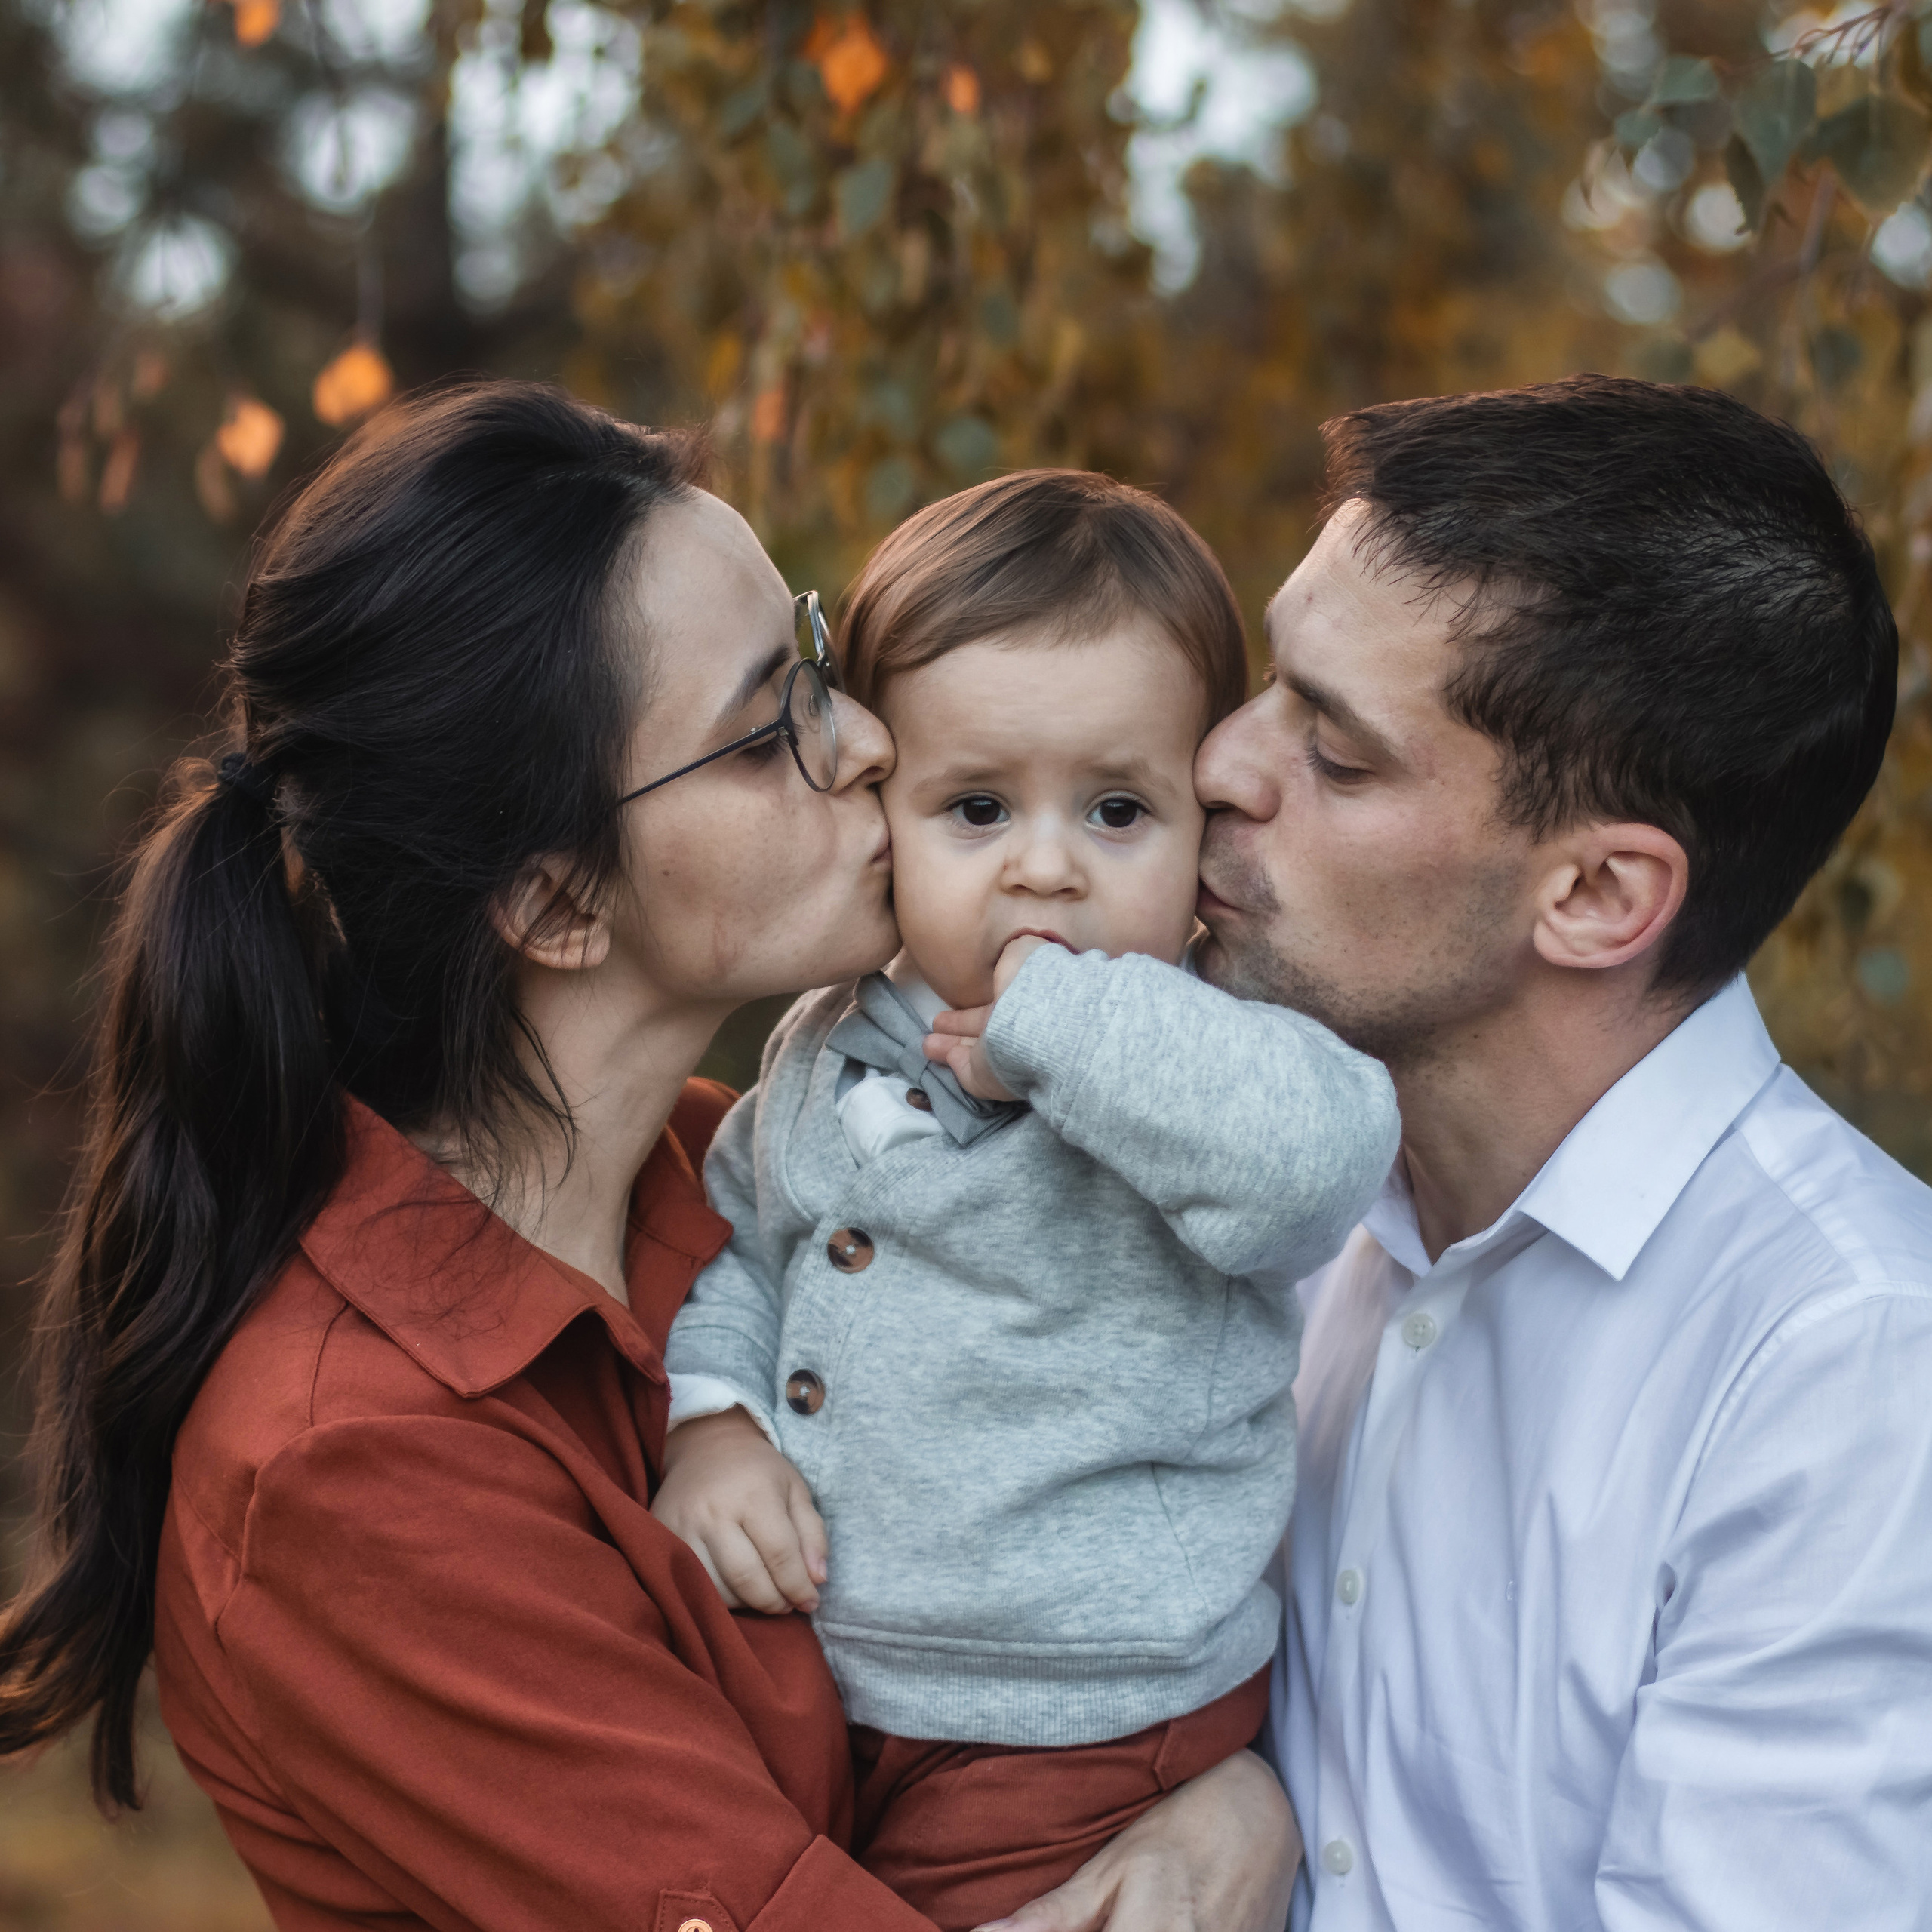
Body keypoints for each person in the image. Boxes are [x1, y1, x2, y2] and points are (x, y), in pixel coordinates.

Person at [0, 383, 1297, 1932]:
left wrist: (1216, 1779)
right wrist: (1227, 1825)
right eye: (766, 731)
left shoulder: (736, 1162)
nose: (867, 738)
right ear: (557, 902)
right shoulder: (349, 1467)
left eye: (814, 657)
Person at [1184, 374, 1932, 1930]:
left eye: (1335, 753)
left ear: (1596, 897)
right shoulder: (1268, 1204)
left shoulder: (1851, 1371)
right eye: (1269, 681)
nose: (1221, 765)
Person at [651, 471, 1399, 1930]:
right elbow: (744, 1247)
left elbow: (1314, 1166)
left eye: (1118, 810)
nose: (1045, 867)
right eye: (978, 808)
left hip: (1090, 1716)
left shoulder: (1201, 1049)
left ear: (1199, 828)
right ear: (884, 812)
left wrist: (1059, 1027)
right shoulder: (826, 1045)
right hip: (857, 1682)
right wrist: (714, 1423)